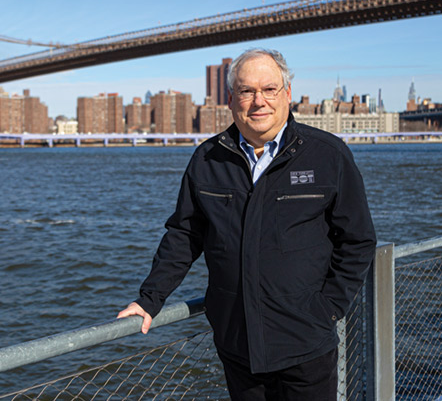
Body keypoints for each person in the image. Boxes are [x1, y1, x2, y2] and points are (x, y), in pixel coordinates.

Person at [117, 48, 376, 400]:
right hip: (238, 345)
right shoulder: (207, 159)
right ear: (230, 99)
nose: (259, 101)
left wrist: (328, 309)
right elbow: (185, 234)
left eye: (269, 89)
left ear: (287, 94)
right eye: (247, 91)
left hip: (306, 344)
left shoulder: (328, 155)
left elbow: (357, 240)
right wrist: (150, 298)